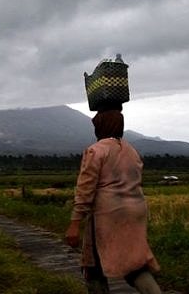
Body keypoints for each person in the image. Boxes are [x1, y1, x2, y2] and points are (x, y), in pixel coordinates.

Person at [65, 109, 162, 294]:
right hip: (136, 211)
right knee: (135, 264)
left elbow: (85, 189)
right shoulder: (131, 150)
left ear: (102, 126)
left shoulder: (96, 150)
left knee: (92, 266)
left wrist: (75, 223)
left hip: (107, 215)